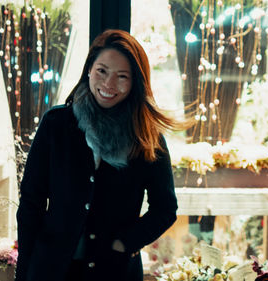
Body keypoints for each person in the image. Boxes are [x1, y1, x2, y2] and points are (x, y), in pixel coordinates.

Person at [15, 29, 181, 281]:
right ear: (89, 69)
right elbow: (31, 202)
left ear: (135, 81)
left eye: (122, 76)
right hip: (51, 270)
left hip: (114, 271)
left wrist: (125, 243)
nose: (108, 84)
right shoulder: (57, 124)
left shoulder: (146, 137)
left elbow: (165, 209)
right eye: (102, 71)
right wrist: (24, 273)